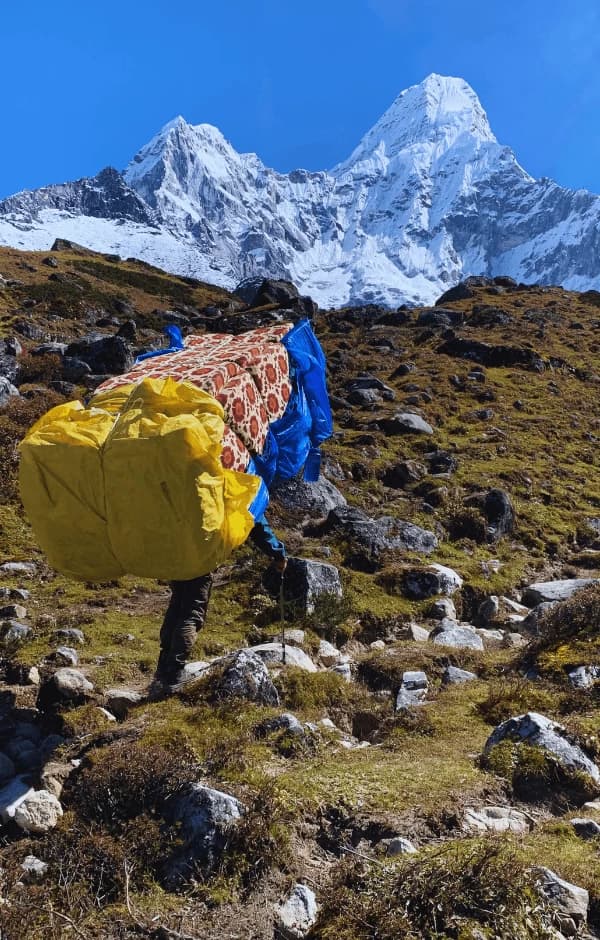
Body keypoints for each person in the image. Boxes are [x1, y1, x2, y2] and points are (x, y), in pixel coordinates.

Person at [152, 514, 287, 693]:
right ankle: (174, 674)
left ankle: (163, 668)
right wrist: (277, 552)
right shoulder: (236, 486)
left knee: (177, 606)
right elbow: (254, 518)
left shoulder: (195, 485)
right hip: (200, 554)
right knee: (191, 613)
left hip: (177, 547)